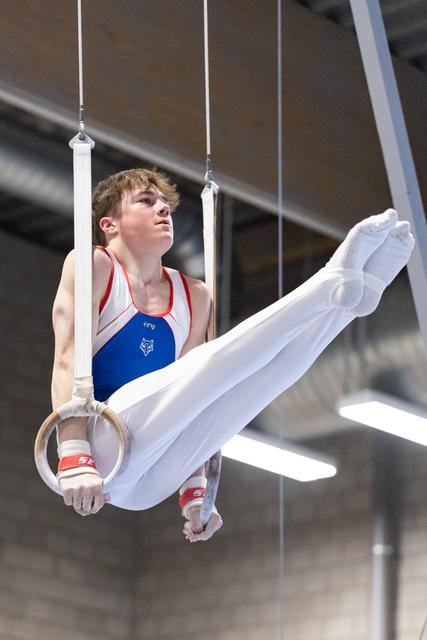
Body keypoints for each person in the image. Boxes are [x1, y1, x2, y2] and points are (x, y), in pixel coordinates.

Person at [51, 167, 414, 543]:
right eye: (146, 201)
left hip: (158, 463)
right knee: (215, 365)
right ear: (109, 225)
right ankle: (329, 282)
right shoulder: (93, 265)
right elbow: (67, 360)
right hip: (104, 444)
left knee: (264, 378)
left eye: (166, 205)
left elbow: (193, 398)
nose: (163, 209)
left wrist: (196, 493)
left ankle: (346, 305)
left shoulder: (194, 295)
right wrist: (74, 454)